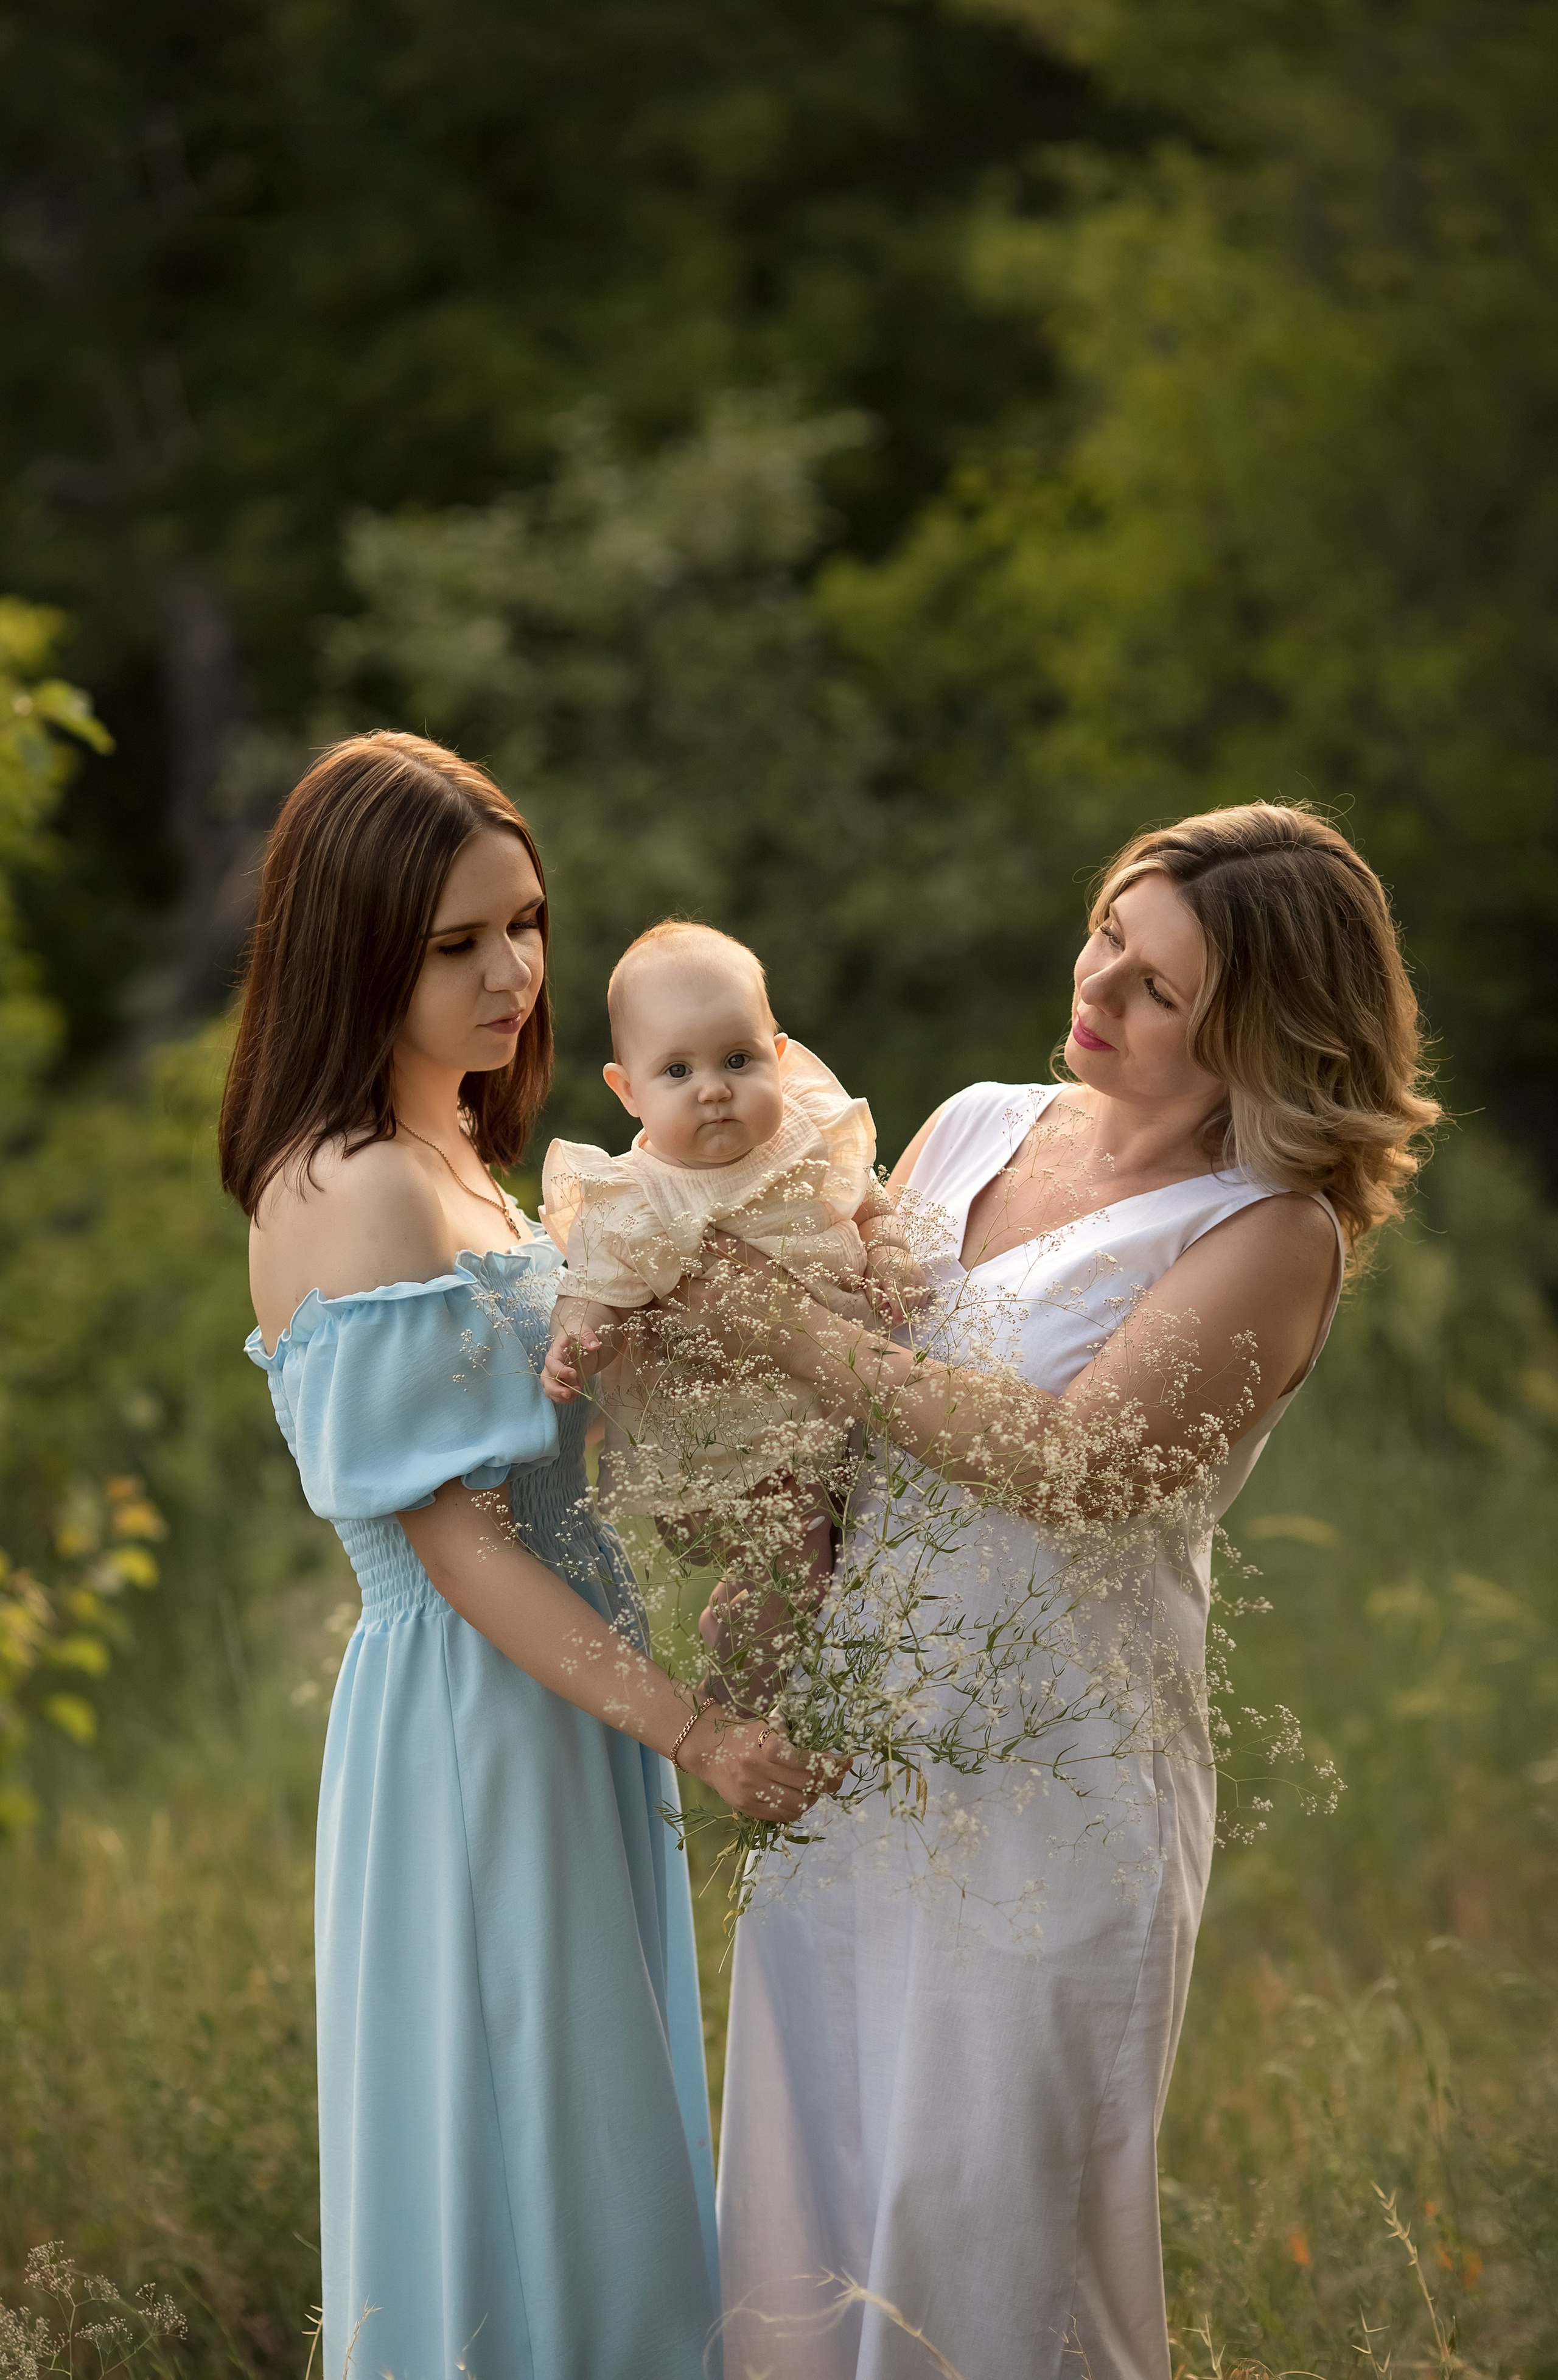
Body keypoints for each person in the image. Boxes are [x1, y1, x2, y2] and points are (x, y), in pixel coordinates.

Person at [711, 803, 1439, 2380]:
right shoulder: (972, 1121)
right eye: (1112, 931)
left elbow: (1071, 1463)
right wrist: (773, 1552)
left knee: (983, 2231)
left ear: (1265, 1037)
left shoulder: (1268, 1233)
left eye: (1159, 986)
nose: (1098, 983)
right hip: (859, 1759)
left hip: (1053, 1792)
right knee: (812, 2208)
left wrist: (789, 1331)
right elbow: (846, 1427)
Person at [218, 732, 826, 2380]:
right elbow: (460, 1544)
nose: (513, 970)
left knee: (597, 2136)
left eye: (525, 922)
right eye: (456, 941)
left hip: (568, 1691)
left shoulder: (472, 1168)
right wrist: (698, 1729)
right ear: (356, 948)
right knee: (527, 2137)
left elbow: (569, 1458)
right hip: (472, 1714)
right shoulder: (351, 1189)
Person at [539, 919, 921, 1707]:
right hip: (737, 1415)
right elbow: (597, 1287)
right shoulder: (639, 1195)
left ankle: (761, 1639)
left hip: (834, 1380)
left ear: (779, 1057)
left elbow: (869, 1202)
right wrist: (577, 1340)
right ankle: (740, 1701)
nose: (713, 1087)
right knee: (798, 1553)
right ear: (627, 1090)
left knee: (849, 1538)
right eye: (677, 1069)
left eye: (738, 1060)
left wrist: (887, 1251)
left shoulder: (807, 1134)